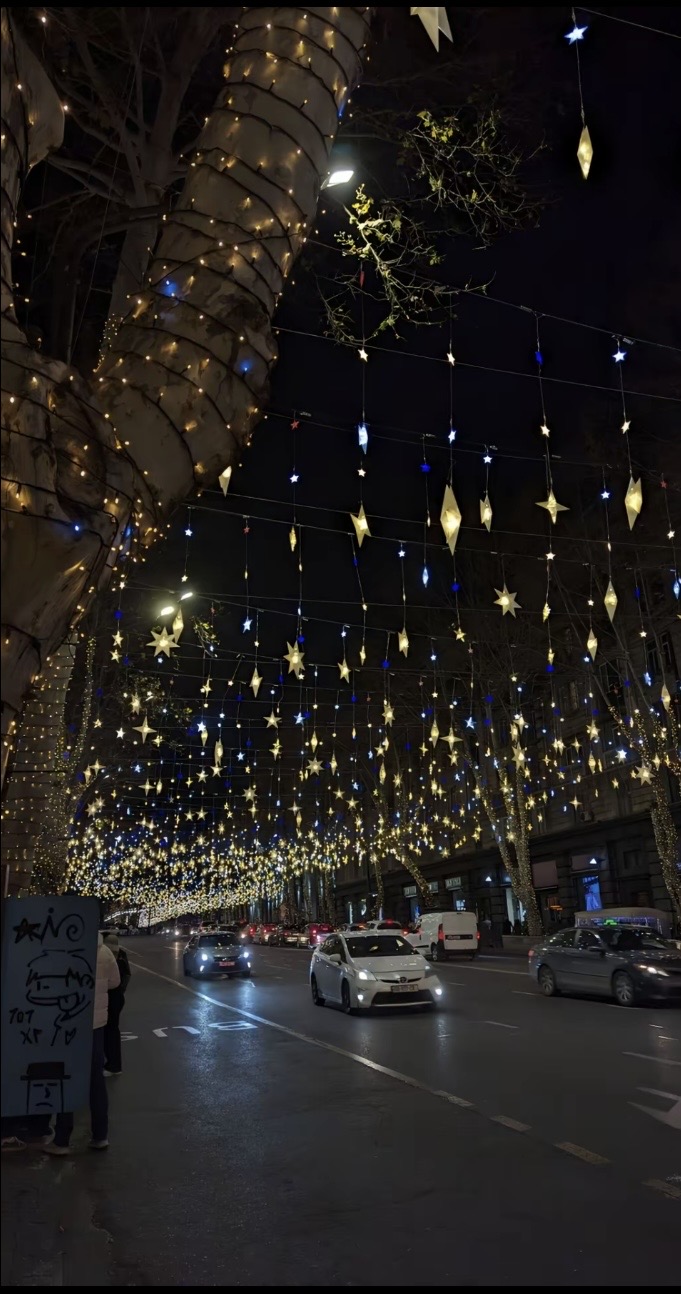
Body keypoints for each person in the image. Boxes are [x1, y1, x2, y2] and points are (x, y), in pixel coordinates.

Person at [45, 934, 120, 1155]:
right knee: (96, 1080)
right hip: (96, 1025)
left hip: (69, 1025)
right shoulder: (104, 951)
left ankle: (62, 1139)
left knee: (66, 1077)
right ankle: (100, 1135)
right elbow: (115, 982)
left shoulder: (63, 951)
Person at [103, 932, 131, 1075]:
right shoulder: (122, 955)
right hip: (118, 997)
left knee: (109, 1031)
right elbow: (127, 976)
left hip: (111, 997)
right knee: (112, 1030)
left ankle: (113, 1065)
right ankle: (113, 1064)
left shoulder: (109, 958)